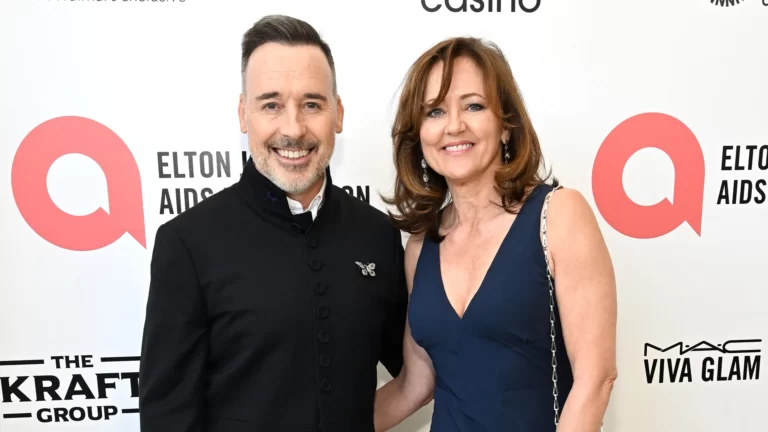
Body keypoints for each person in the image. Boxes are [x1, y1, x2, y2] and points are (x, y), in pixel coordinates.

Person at [138, 15, 408, 432]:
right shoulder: (187, 243)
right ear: (244, 114)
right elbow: (167, 417)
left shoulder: (378, 236)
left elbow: (421, 367)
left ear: (337, 114)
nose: (293, 128)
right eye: (271, 105)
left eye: (312, 104)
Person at [374, 37, 618, 431]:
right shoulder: (421, 246)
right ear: (419, 134)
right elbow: (414, 385)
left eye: (473, 105)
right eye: (435, 111)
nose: (454, 125)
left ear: (505, 125)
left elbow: (596, 379)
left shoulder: (558, 215)